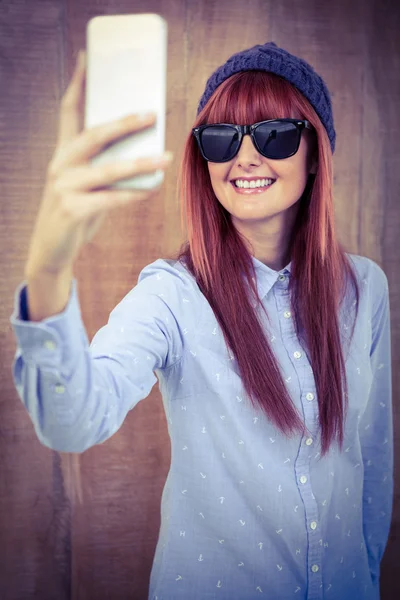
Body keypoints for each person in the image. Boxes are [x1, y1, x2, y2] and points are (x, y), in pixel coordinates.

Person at [9, 42, 392, 600]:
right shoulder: (172, 295)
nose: (246, 157)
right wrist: (47, 265)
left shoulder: (365, 289)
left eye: (274, 133)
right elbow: (73, 420)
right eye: (222, 138)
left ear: (315, 154)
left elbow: (371, 467)